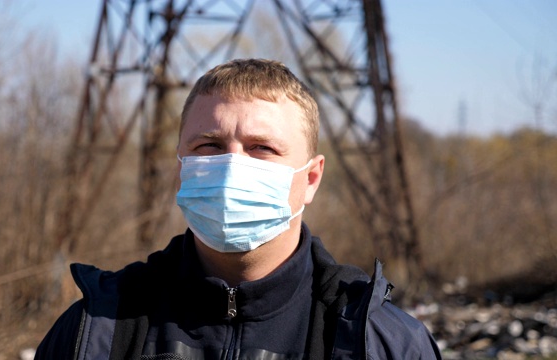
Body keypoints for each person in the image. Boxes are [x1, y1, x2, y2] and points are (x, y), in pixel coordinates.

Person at [35, 58, 441, 359]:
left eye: (261, 148)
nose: (232, 167)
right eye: (208, 146)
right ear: (181, 167)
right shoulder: (96, 332)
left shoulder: (381, 342)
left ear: (311, 178)